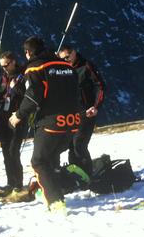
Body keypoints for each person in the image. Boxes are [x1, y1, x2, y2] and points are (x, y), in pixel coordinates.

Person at [9, 37, 87, 212]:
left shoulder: (36, 67)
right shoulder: (67, 66)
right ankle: (54, 189)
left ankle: (55, 202)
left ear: (28, 52)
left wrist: (18, 116)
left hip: (51, 121)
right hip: (73, 121)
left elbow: (33, 95)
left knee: (38, 161)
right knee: (51, 157)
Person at [58, 45, 106, 175]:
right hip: (70, 114)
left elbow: (100, 86)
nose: (65, 60)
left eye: (67, 57)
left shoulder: (86, 66)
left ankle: (87, 174)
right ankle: (76, 174)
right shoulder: (63, 69)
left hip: (87, 111)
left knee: (79, 144)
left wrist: (96, 106)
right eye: (62, 59)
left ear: (74, 52)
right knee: (71, 146)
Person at [0, 51, 26, 191]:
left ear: (14, 62)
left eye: (6, 65)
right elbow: (1, 99)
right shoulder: (3, 77)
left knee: (13, 150)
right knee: (5, 151)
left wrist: (17, 87)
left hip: (18, 117)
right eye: (1, 66)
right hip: (3, 117)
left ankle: (19, 184)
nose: (3, 68)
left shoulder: (24, 74)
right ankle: (11, 182)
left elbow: (29, 95)